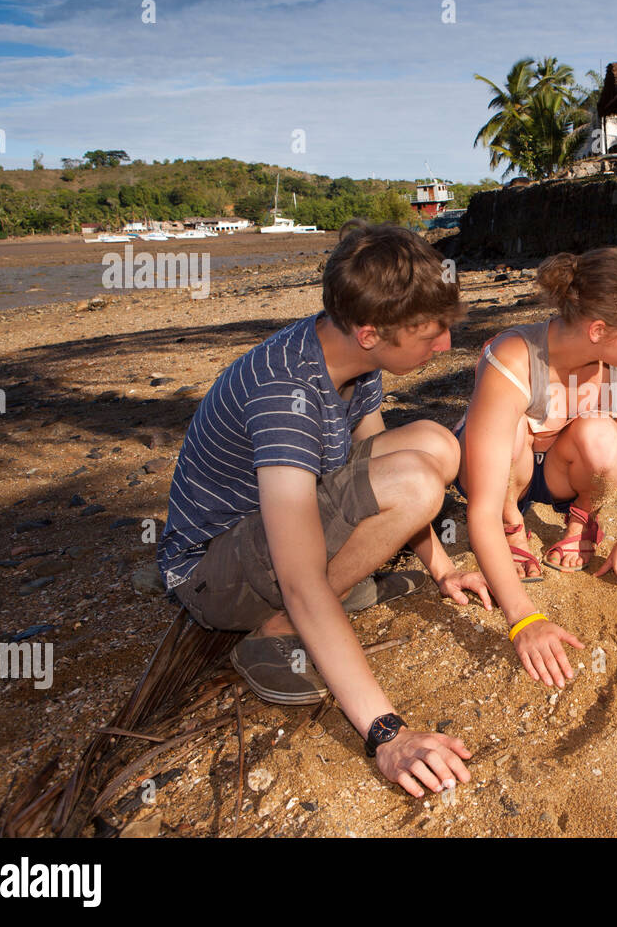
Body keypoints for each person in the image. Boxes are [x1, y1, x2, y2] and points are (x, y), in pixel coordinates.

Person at [158, 222, 490, 798]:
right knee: (416, 480)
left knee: (434, 445)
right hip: (212, 574)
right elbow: (301, 575)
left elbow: (370, 467)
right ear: (369, 332)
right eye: (431, 333)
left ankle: (342, 591)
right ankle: (276, 632)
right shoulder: (285, 393)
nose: (445, 346)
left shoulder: (348, 360)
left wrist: (443, 568)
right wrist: (385, 734)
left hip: (269, 534)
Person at [455, 248, 617, 689]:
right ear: (599, 329)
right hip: (503, 472)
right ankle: (516, 527)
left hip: (563, 472)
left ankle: (582, 517)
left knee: (607, 438)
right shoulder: (510, 356)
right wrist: (522, 617)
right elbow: (480, 509)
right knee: (508, 436)